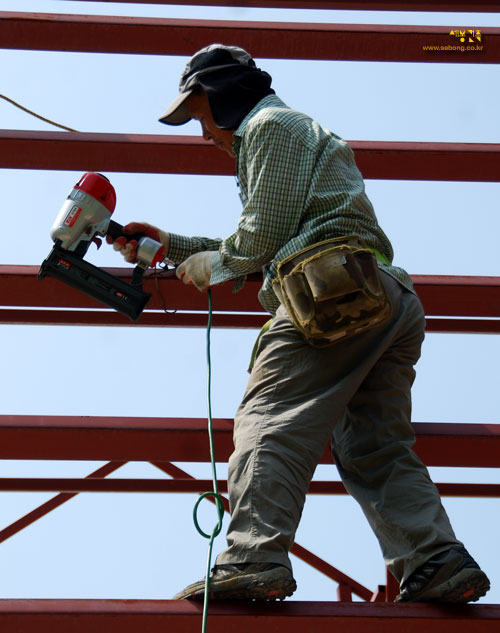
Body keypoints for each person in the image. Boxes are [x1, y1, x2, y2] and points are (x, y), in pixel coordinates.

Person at [109, 44, 490, 603]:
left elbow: (258, 237)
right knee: (374, 447)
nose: (203, 133)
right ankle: (435, 559)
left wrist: (212, 265)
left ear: (220, 94)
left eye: (198, 115)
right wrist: (174, 246)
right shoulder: (288, 133)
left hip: (330, 295)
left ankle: (254, 557)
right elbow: (275, 237)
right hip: (379, 297)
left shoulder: (269, 126)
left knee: (269, 420)